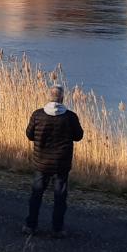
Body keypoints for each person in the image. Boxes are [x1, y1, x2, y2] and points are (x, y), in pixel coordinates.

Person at [23, 84, 84, 238]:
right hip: (61, 164)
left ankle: (31, 225)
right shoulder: (70, 117)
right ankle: (57, 229)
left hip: (41, 162)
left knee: (36, 194)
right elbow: (78, 136)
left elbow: (29, 134)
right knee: (60, 197)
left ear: (49, 98)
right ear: (62, 98)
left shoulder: (37, 115)